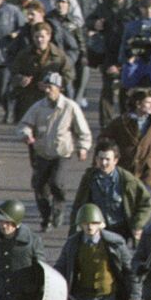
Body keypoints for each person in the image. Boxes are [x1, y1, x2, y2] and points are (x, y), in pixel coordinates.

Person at [19, 72, 92, 232]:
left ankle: (58, 210)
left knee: (57, 183)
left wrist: (83, 147)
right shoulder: (38, 107)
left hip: (62, 153)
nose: (47, 91)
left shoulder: (70, 107)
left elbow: (83, 130)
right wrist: (26, 133)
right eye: (46, 87)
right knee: (39, 187)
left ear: (60, 89)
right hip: (41, 152)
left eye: (51, 87)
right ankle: (46, 218)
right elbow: (24, 124)